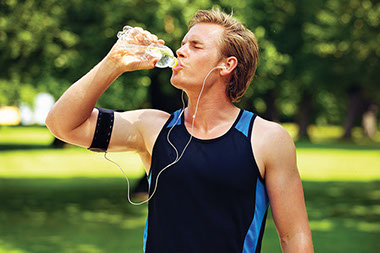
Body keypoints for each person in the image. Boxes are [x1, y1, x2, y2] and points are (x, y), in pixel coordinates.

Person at [46, 9, 313, 253]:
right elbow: (61, 124)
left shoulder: (267, 138)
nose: (181, 51)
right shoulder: (152, 128)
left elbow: (295, 237)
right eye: (183, 43)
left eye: (195, 46)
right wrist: (114, 62)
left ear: (227, 65)